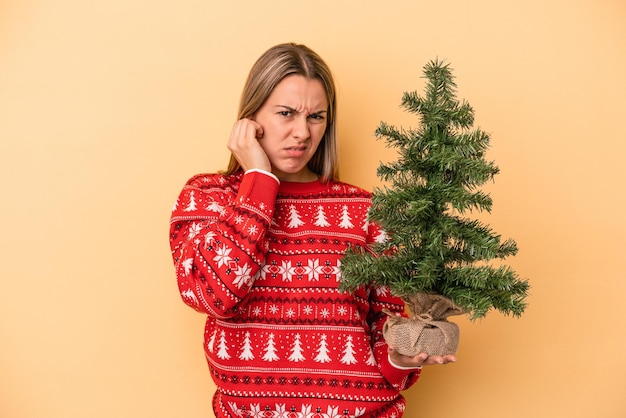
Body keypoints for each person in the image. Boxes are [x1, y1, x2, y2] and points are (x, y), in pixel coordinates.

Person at [169, 42, 455, 418]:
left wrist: (401, 357)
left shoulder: (367, 210)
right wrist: (257, 180)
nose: (302, 132)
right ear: (250, 118)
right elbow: (212, 295)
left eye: (316, 117)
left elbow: (383, 325)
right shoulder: (207, 197)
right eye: (286, 113)